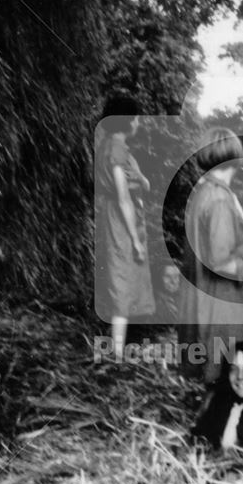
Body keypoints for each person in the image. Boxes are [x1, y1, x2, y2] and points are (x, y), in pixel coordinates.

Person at [177, 127, 243, 384]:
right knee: (229, 364)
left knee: (219, 366)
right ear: (235, 157)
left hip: (206, 296)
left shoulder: (203, 191)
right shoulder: (220, 200)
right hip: (222, 299)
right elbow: (220, 264)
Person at [94, 95, 155, 359]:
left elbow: (142, 184)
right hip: (121, 219)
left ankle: (115, 343)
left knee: (120, 276)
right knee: (121, 277)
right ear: (128, 121)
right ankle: (118, 353)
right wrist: (136, 239)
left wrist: (140, 178)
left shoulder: (113, 147)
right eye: (137, 117)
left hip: (116, 216)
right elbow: (122, 197)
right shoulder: (117, 149)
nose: (139, 122)